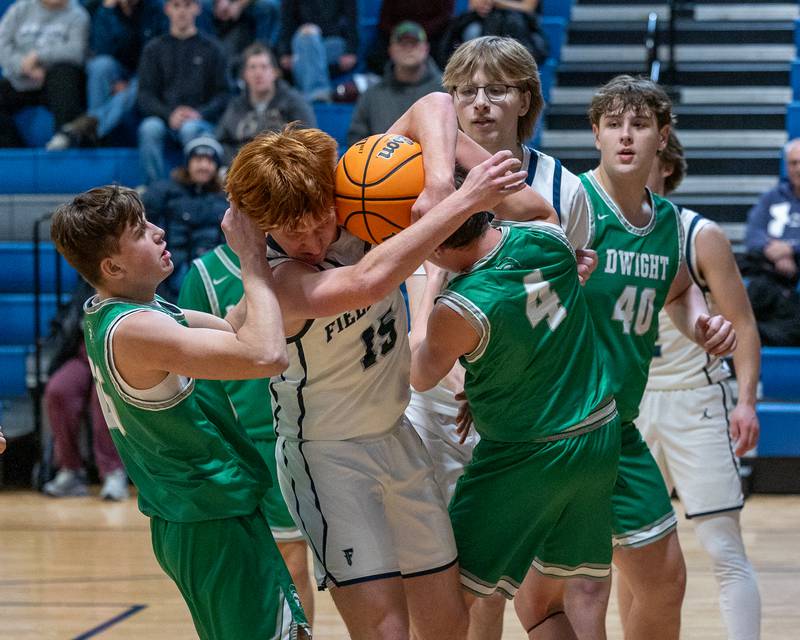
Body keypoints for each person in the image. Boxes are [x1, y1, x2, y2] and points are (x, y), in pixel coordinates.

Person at [225, 92, 553, 639]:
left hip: (395, 436)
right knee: (384, 631)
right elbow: (366, 281)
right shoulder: (279, 281)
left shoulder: (357, 193)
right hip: (328, 460)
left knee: (448, 624)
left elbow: (434, 104)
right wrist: (461, 202)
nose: (308, 242)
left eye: (315, 223)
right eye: (288, 233)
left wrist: (438, 179)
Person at [50, 184, 310, 639]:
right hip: (207, 518)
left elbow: (233, 329)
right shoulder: (135, 329)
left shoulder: (132, 308)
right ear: (112, 266)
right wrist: (251, 259)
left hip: (208, 514)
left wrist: (271, 246)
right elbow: (266, 356)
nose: (158, 231)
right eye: (140, 231)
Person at [407, 35, 590, 639]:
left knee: (539, 591)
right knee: (448, 583)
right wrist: (468, 372)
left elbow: (564, 308)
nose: (480, 103)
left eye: (497, 89)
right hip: (439, 402)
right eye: (466, 90)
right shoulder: (406, 180)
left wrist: (494, 369)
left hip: (529, 414)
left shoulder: (566, 191)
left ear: (526, 100)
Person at [409, 180, 620, 638]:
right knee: (542, 605)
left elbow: (420, 373)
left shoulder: (461, 306)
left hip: (528, 456)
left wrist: (428, 285)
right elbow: (534, 206)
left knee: (442, 598)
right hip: (597, 439)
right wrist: (466, 177)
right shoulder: (545, 235)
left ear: (437, 246)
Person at [567, 75, 736, 640]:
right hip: (558, 427)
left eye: (639, 125)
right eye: (613, 124)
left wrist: (699, 324)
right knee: (578, 588)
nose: (625, 136)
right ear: (595, 133)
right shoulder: (571, 207)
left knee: (665, 579)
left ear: (662, 137)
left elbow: (680, 285)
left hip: (619, 426)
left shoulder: (664, 222)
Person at [636, 130, 762, 640]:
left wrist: (748, 402)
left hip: (696, 400)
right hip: (629, 404)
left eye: (647, 153)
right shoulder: (597, 227)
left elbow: (745, 325)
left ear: (667, 166)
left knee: (722, 546)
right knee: (629, 551)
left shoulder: (698, 234)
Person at [177, 241, 316, 625]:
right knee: (284, 561)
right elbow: (194, 369)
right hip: (253, 440)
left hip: (316, 426)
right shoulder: (206, 273)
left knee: (320, 564)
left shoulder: (307, 254)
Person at [41, 278, 129, 501]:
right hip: (82, 355)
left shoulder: (134, 281)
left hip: (117, 356)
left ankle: (113, 472)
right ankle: (70, 470)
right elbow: (67, 325)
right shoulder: (84, 284)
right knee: (59, 389)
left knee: (103, 395)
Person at [46, 0, 166, 150]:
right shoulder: (98, 7)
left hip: (144, 74)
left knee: (141, 83)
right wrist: (107, 12)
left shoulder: (156, 9)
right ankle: (96, 136)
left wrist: (130, 82)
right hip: (115, 72)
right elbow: (100, 49)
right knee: (100, 66)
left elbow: (158, 56)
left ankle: (90, 127)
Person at [137, 0, 229, 184]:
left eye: (187, 5)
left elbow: (224, 94)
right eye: (176, 5)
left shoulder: (213, 49)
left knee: (190, 129)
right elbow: (145, 95)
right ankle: (156, 189)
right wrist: (168, 114)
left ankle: (193, 188)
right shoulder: (153, 49)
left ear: (197, 8)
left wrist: (199, 114)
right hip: (165, 120)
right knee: (149, 128)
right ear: (167, 9)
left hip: (201, 122)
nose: (182, 11)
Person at [142, 135, 227, 299]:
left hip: (211, 271)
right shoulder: (164, 192)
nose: (204, 166)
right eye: (198, 159)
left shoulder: (224, 199)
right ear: (187, 163)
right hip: (171, 270)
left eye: (210, 161)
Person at [0, 0, 89, 147]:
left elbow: (76, 52)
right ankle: (14, 150)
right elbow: (2, 45)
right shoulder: (20, 9)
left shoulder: (77, 14)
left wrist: (39, 56)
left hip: (57, 81)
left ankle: (65, 138)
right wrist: (22, 65)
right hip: (20, 79)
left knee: (65, 73)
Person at [216, 42, 316, 166]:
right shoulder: (236, 106)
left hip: (282, 169)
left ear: (275, 72)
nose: (258, 73)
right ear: (244, 75)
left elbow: (308, 140)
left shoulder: (294, 102)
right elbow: (221, 141)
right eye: (252, 67)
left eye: (264, 67)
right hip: (243, 170)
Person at [347, 22, 442, 147]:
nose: (408, 48)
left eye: (414, 43)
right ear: (391, 50)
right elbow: (357, 143)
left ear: (426, 48)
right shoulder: (372, 96)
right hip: (382, 165)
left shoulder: (446, 89)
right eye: (402, 44)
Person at [276, 0, 358, 103]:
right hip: (301, 42)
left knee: (306, 52)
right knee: (308, 40)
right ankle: (318, 94)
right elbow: (286, 22)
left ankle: (306, 100)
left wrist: (351, 51)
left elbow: (352, 22)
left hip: (334, 43)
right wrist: (285, 52)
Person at [745, 138, 800, 281]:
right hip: (771, 272)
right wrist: (778, 256)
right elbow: (753, 235)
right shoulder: (771, 197)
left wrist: (791, 249)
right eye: (794, 163)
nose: (798, 169)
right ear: (787, 167)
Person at [439, 0, 548, 69]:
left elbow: (528, 8)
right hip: (485, 21)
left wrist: (497, 3)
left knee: (514, 33)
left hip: (517, 22)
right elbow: (473, 6)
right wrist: (482, 7)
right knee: (472, 31)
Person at [366, 0, 454, 74]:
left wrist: (418, 32)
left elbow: (445, 17)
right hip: (399, 33)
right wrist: (402, 32)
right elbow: (384, 20)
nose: (409, 48)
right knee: (375, 56)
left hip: (431, 36)